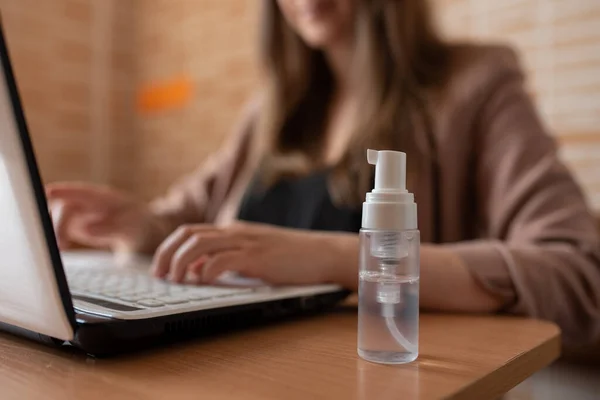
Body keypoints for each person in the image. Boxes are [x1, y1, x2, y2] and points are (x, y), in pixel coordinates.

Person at [47, 0, 600, 347]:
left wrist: (331, 258)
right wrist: (138, 224)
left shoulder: (477, 83)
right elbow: (195, 219)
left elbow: (577, 272)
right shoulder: (270, 112)